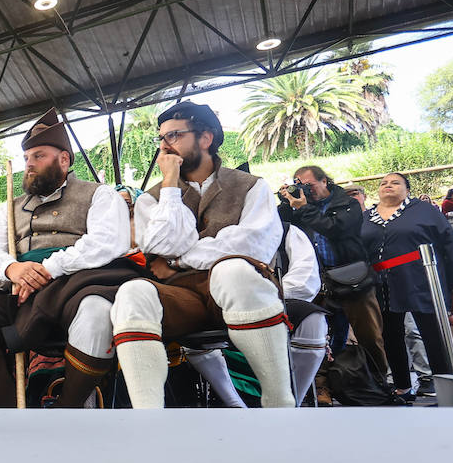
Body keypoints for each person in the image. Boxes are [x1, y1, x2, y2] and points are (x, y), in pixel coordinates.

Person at [0, 109, 140, 408]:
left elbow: (107, 243)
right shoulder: (9, 207)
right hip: (20, 294)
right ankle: (12, 408)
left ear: (64, 160)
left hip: (78, 286)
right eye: (26, 158)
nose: (29, 165)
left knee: (97, 309)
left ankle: (69, 407)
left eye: (39, 156)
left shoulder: (99, 195)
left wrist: (46, 269)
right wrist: (13, 268)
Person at [110, 101, 293, 408]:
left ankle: (279, 404)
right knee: (131, 292)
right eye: (161, 138)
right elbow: (162, 245)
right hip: (183, 297)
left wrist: (180, 260)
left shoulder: (251, 186)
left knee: (232, 271)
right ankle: (148, 421)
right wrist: (170, 185)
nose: (164, 146)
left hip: (242, 289)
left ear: (205, 138)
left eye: (174, 135)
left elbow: (251, 245)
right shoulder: (153, 197)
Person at [183, 223, 327, 407]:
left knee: (312, 319)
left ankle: (290, 402)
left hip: (276, 300)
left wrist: (262, 296)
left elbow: (306, 279)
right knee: (191, 322)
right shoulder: (201, 231)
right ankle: (234, 403)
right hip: (219, 305)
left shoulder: (287, 231)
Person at [359, 173, 453, 398]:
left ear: (407, 189)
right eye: (383, 183)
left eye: (395, 183)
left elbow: (450, 242)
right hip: (382, 285)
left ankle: (445, 386)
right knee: (390, 335)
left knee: (432, 333)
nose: (388, 186)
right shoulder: (367, 216)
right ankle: (402, 386)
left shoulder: (424, 210)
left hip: (421, 279)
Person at [277, 165, 388, 379]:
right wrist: (286, 203)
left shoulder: (348, 204)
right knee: (314, 336)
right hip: (316, 281)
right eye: (300, 186)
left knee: (369, 335)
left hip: (352, 279)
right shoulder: (299, 207)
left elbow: (334, 229)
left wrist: (303, 208)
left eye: (309, 186)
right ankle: (322, 386)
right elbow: (280, 226)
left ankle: (378, 382)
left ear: (324, 181)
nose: (306, 191)